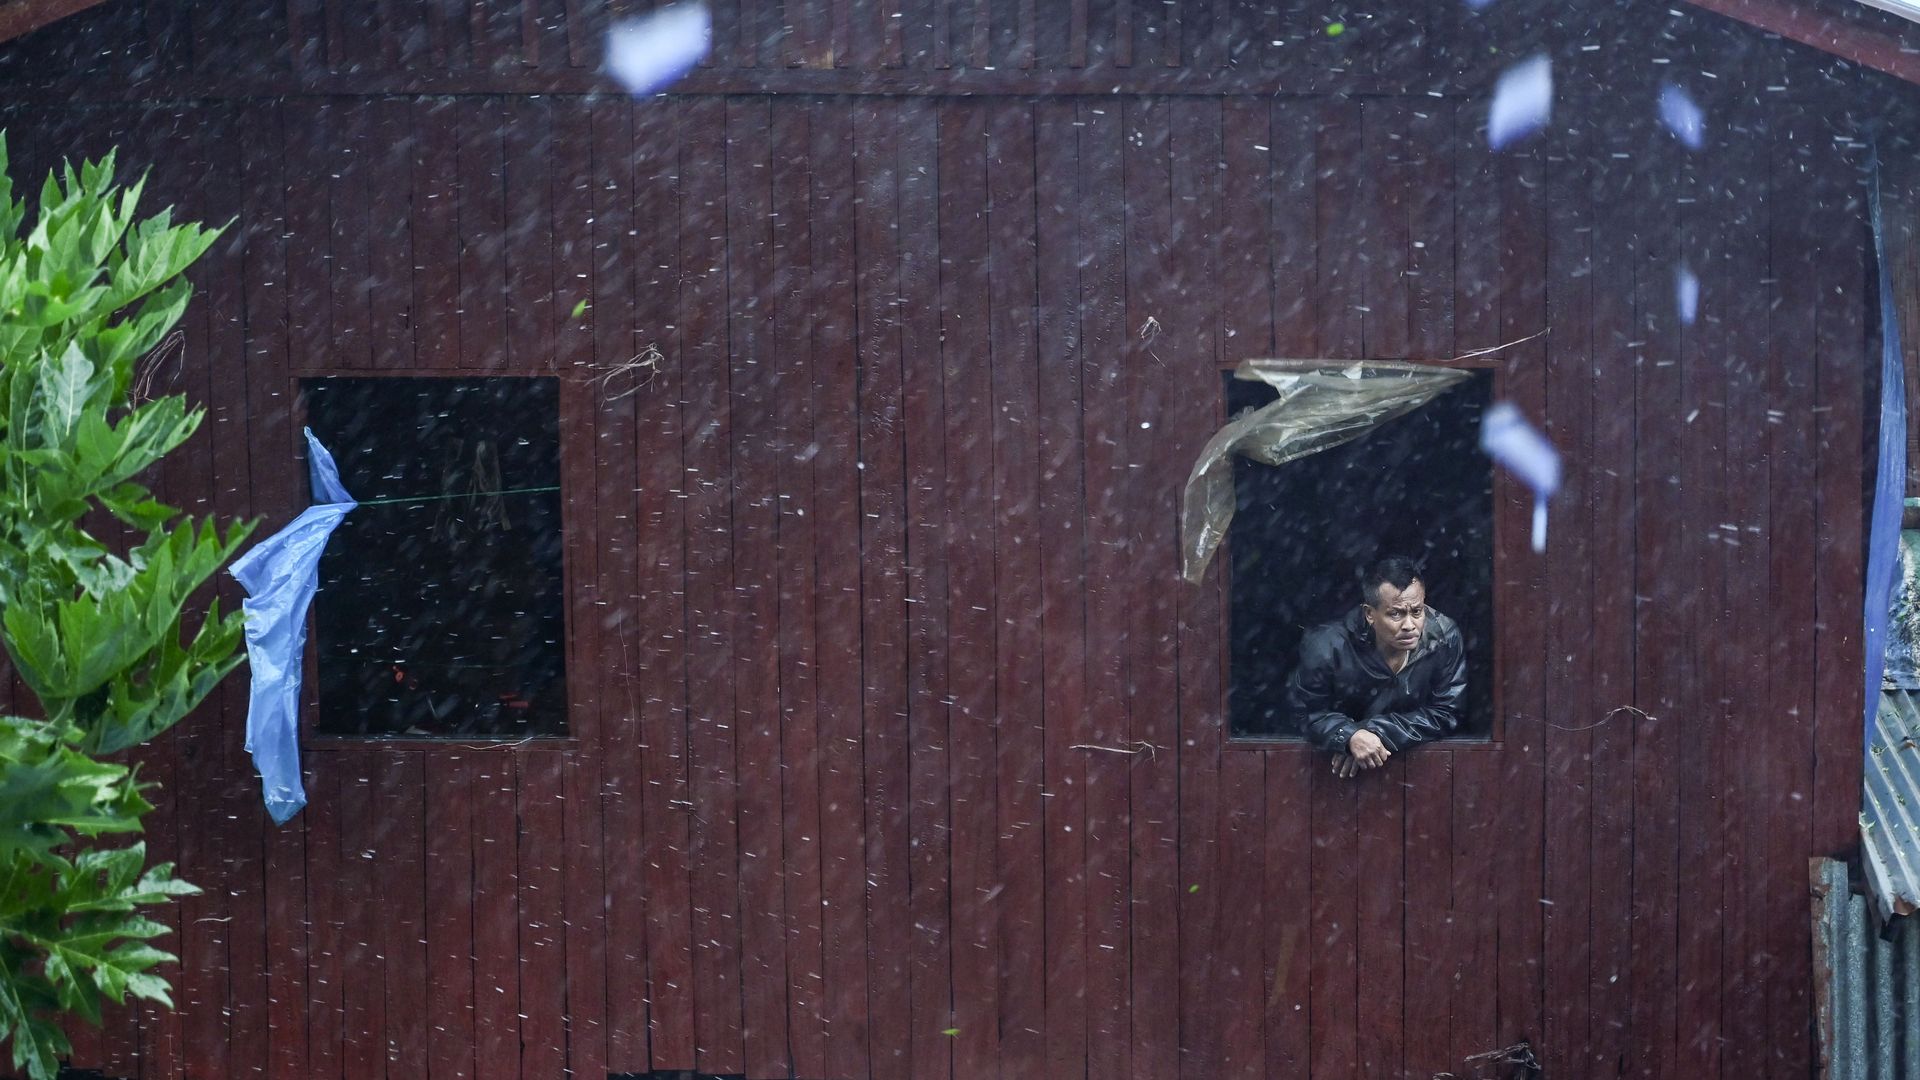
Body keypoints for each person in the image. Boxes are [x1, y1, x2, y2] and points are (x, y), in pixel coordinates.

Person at [1284, 556, 1468, 778]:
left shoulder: (1444, 637)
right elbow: (1304, 713)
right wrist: (1348, 737)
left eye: (1417, 611)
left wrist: (1371, 732)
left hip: (1420, 777)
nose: (1410, 625)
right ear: (1370, 614)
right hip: (1330, 780)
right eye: (1396, 613)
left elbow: (1448, 711)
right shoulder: (1327, 645)